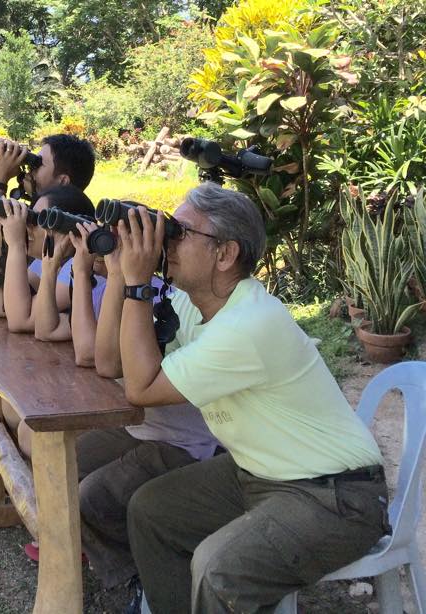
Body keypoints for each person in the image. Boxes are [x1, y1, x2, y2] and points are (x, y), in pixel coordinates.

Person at [113, 182, 388, 613]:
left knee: (218, 568)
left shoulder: (249, 323)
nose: (166, 240)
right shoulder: (193, 304)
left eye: (180, 232)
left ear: (225, 254)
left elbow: (140, 388)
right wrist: (119, 271)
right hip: (259, 473)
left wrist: (135, 285)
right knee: (152, 509)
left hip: (336, 497)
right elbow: (114, 362)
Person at [22, 220, 219, 592]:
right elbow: (88, 351)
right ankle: (107, 553)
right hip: (141, 425)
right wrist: (92, 273)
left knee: (89, 498)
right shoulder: (122, 289)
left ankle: (136, 576)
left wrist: (116, 276)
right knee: (60, 467)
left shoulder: (160, 296)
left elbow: (98, 359)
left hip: (186, 442)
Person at [0, 134, 96, 397]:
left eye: (38, 164)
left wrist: (15, 243)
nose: (30, 168)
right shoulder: (48, 246)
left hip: (66, 375)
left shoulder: (72, 259)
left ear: (63, 180)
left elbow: (20, 319)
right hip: (46, 358)